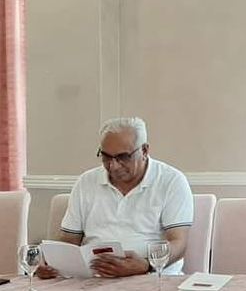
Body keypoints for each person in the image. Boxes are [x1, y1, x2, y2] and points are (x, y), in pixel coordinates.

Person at [38, 117, 193, 278]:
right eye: (106, 156)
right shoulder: (86, 182)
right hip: (93, 278)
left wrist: (146, 264)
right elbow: (69, 240)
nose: (113, 166)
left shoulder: (171, 181)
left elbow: (179, 243)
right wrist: (48, 261)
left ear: (144, 151)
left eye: (123, 157)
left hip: (152, 276)